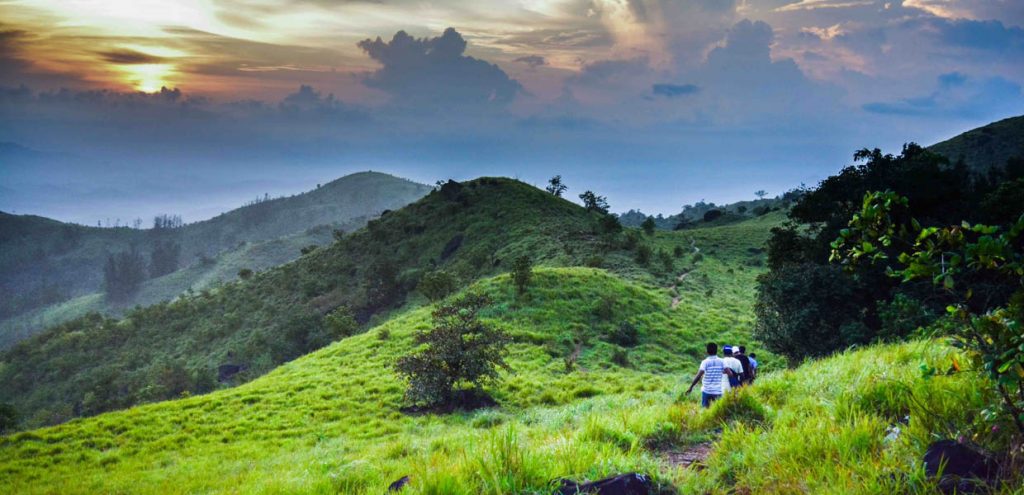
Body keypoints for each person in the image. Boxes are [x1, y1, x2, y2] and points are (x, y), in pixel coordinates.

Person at [686, 343, 733, 407]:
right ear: (716, 351)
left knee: (705, 412)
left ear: (707, 351)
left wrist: (691, 387)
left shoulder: (705, 362)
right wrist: (721, 371)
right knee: (716, 412)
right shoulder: (722, 361)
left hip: (706, 391)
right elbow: (730, 374)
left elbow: (699, 375)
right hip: (718, 392)